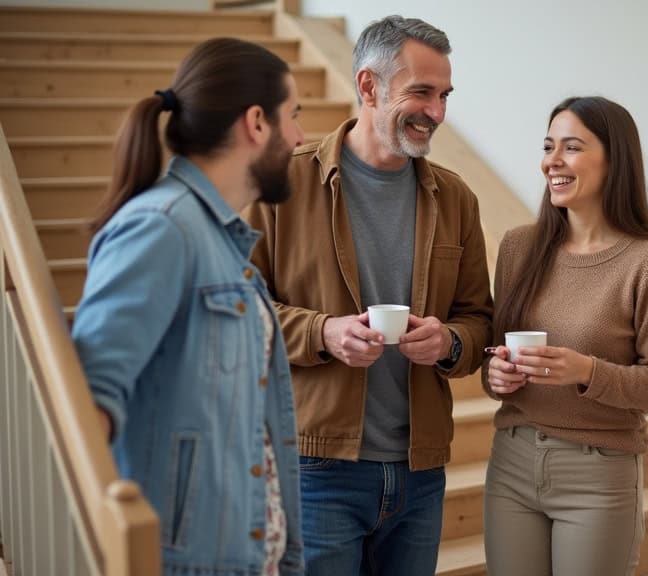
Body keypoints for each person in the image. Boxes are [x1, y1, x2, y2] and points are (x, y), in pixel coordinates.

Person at [242, 15, 493, 576]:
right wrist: (323, 333)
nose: (437, 111)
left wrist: (450, 342)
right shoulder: (281, 183)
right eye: (421, 92)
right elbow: (238, 313)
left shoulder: (456, 198)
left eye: (444, 95)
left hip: (421, 472)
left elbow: (479, 320)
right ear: (368, 86)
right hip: (316, 468)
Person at [72, 38, 306, 575]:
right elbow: (88, 403)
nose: (299, 136)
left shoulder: (222, 239)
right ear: (256, 122)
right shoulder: (161, 227)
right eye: (292, 116)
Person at [483, 96, 648, 576]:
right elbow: (494, 365)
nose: (552, 160)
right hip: (512, 457)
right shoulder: (518, 247)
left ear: (615, 161)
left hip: (599, 471)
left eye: (571, 147)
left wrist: (586, 372)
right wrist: (497, 375)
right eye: (549, 146)